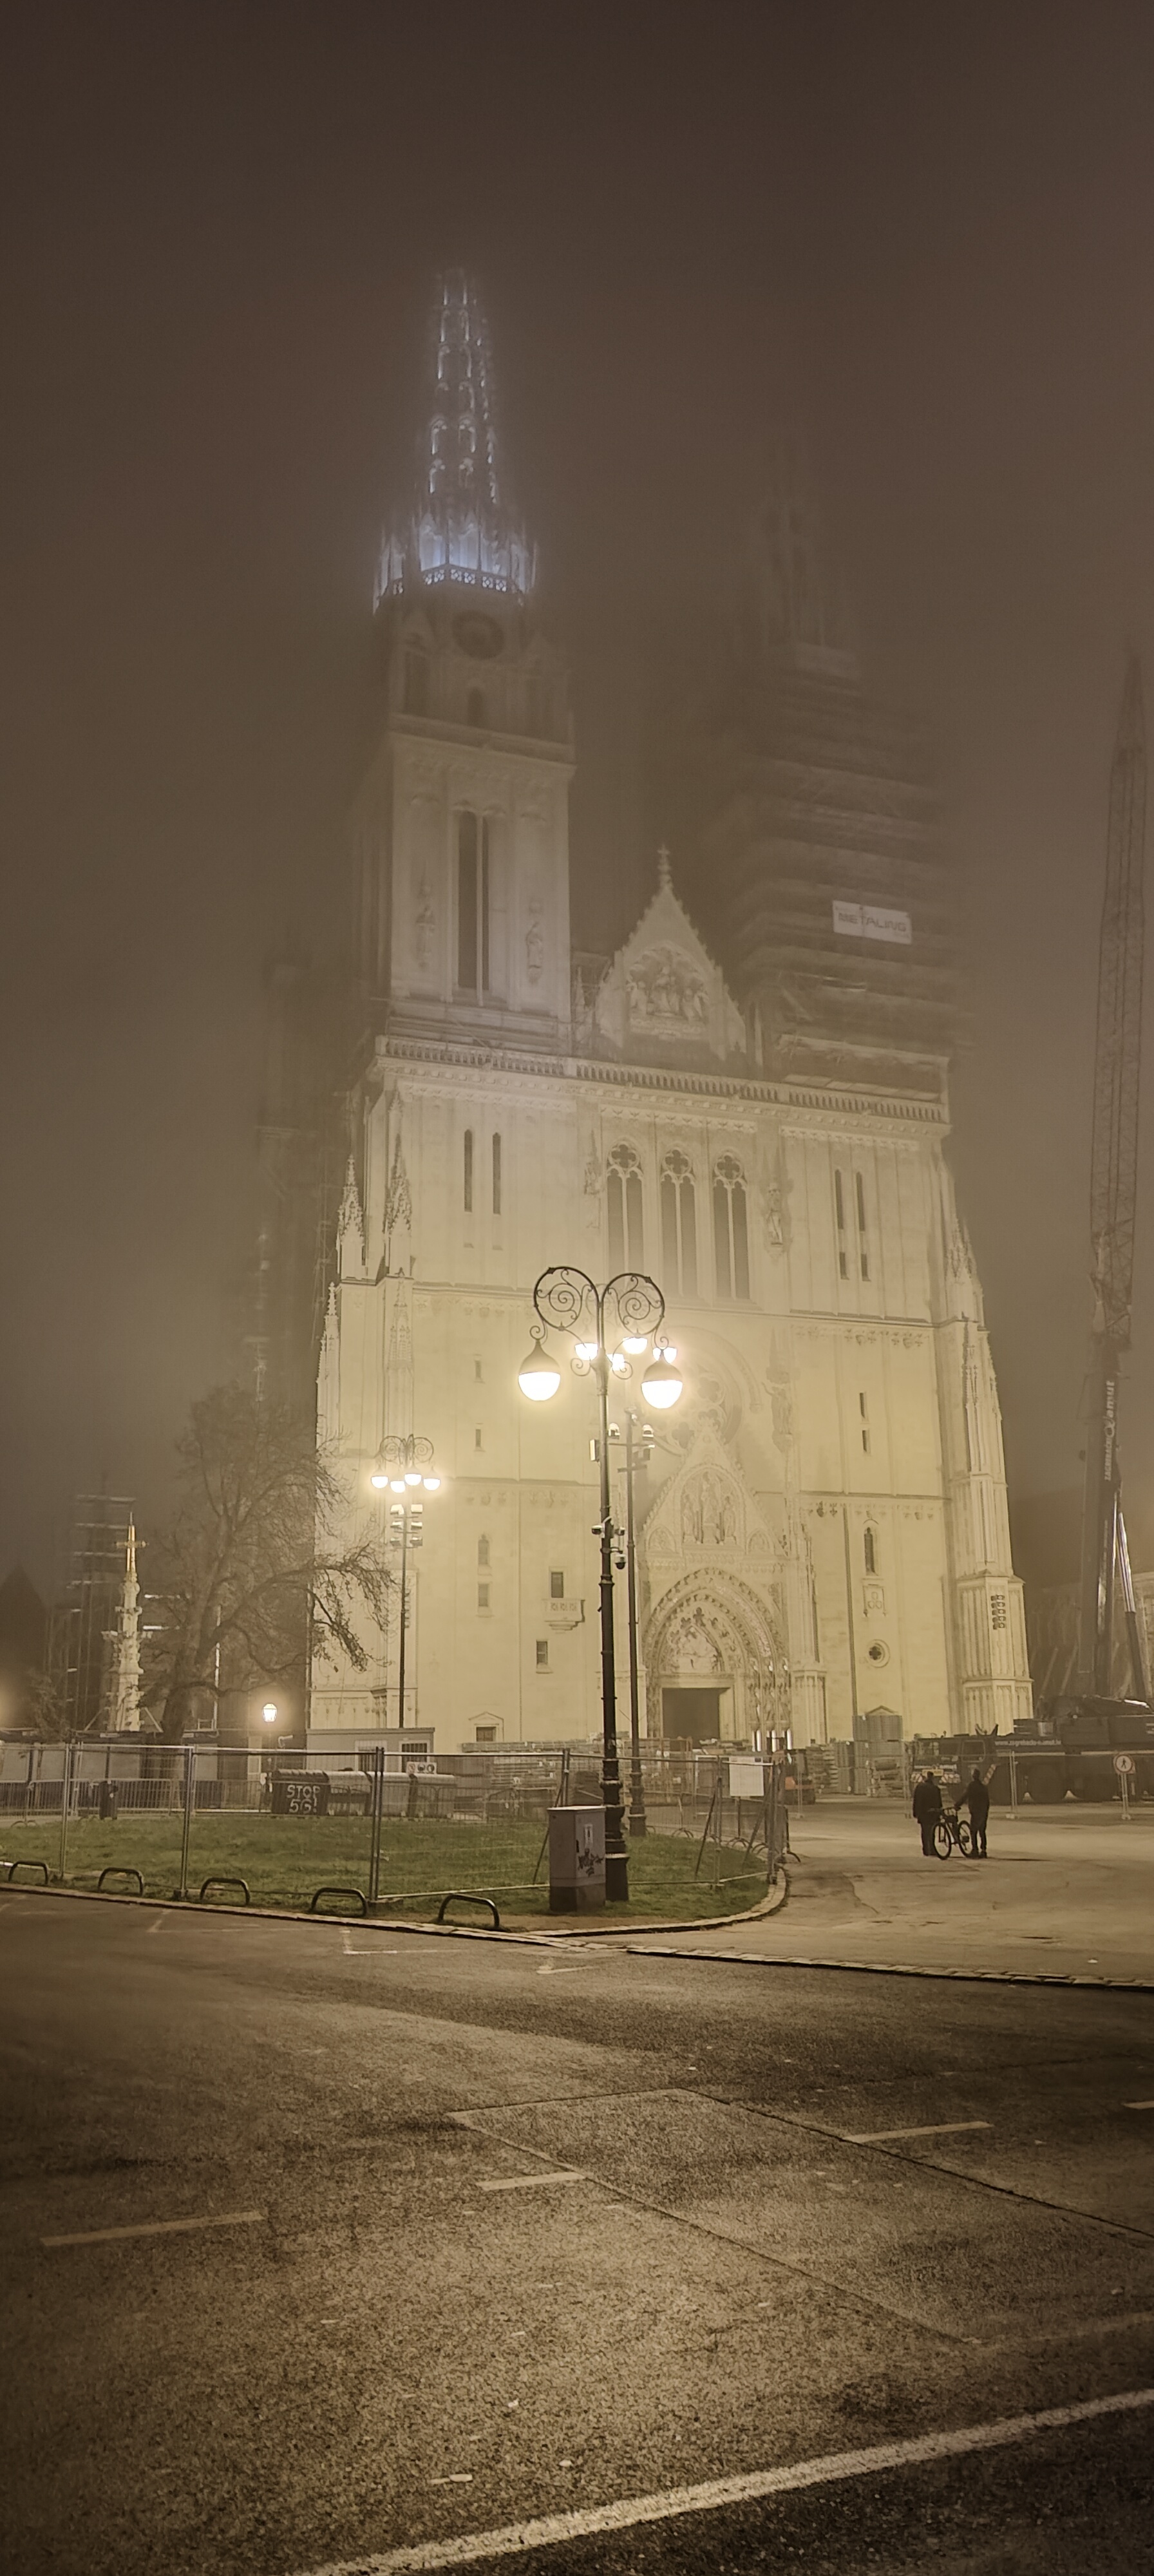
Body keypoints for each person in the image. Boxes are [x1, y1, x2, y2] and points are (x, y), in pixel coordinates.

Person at [959, 1766, 990, 1858]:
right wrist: (986, 1811)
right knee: (982, 1832)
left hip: (976, 1812)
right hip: (984, 1812)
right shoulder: (983, 1787)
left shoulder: (972, 1786)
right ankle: (984, 1851)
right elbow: (987, 1801)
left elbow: (965, 1796)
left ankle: (975, 1850)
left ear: (973, 1776)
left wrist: (957, 1805)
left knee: (973, 1831)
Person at [912, 1769, 943, 1856]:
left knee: (925, 1832)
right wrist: (940, 1813)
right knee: (932, 1832)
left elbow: (916, 1801)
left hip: (923, 1814)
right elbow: (939, 1803)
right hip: (933, 1814)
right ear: (932, 1778)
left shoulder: (920, 1787)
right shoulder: (936, 1789)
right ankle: (932, 1849)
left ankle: (926, 1850)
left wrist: (915, 1812)